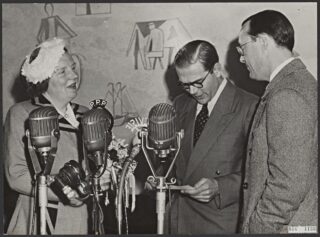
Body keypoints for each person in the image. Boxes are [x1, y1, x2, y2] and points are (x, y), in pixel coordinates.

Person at [4, 37, 107, 234]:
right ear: (43, 81)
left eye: (73, 68)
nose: (74, 76)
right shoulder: (23, 113)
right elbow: (16, 176)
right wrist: (63, 194)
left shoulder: (88, 115)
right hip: (40, 215)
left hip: (85, 218)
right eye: (62, 71)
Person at [164, 40, 259, 234]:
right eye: (185, 85)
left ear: (216, 69)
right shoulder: (180, 104)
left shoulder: (250, 106)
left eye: (198, 82)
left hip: (219, 224)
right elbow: (173, 163)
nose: (192, 91)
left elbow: (261, 173)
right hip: (178, 222)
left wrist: (220, 187)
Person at [237, 10, 317, 233]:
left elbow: (288, 186)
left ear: (262, 42)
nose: (242, 58)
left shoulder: (288, 94)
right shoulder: (299, 83)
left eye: (243, 48)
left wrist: (257, 228)